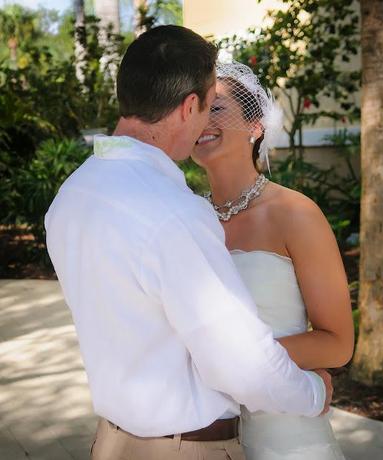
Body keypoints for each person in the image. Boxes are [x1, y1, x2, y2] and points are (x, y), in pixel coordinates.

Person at [44, 26, 332, 460]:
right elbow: (241, 364)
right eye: (206, 108)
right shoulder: (175, 213)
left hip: (112, 441)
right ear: (189, 105)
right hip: (181, 448)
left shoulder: (72, 195)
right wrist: (313, 393)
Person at [192, 61, 354, 460]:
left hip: (288, 438)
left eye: (217, 107)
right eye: (196, 108)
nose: (202, 120)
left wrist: (236, 360)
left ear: (255, 126)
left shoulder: (296, 214)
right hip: (205, 437)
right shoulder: (188, 217)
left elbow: (337, 344)